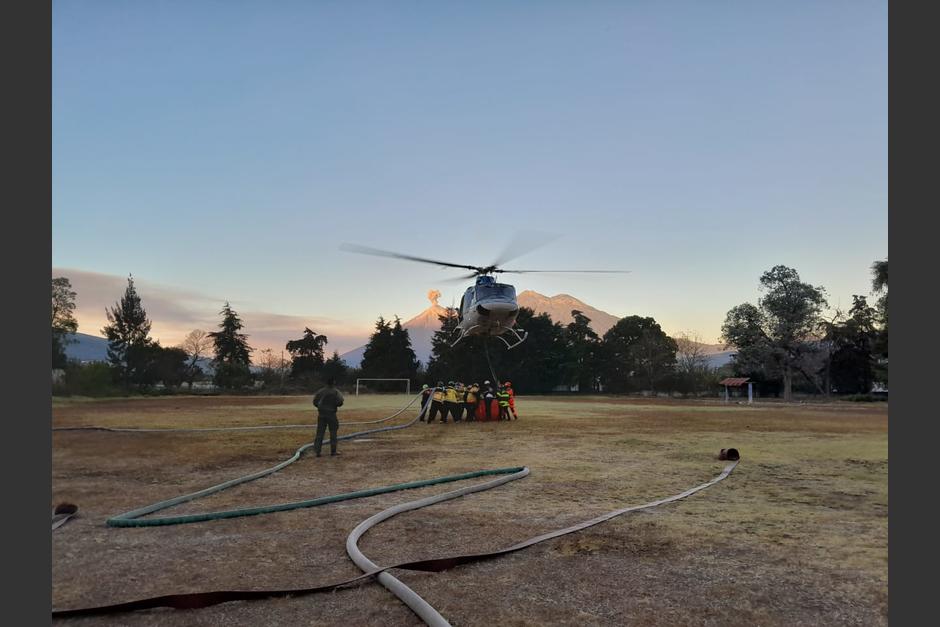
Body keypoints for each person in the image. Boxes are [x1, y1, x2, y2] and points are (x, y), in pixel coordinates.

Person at [312, 377, 345, 457]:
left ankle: (317, 451)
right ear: (334, 383)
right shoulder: (336, 392)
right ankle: (333, 451)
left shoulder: (320, 391)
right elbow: (340, 402)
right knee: (333, 432)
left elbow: (315, 402)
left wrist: (321, 407)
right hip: (331, 414)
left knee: (320, 433)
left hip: (321, 414)